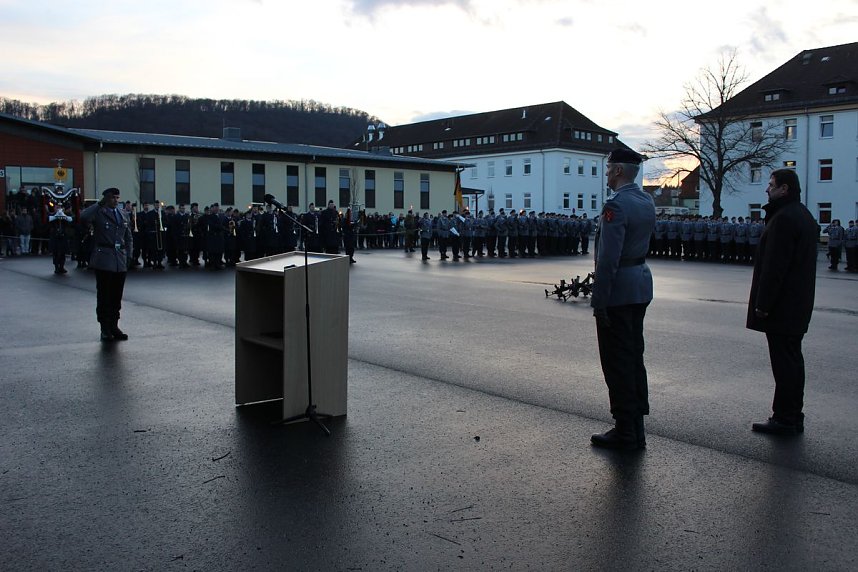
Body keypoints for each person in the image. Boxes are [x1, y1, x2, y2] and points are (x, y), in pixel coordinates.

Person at [589, 148, 656, 450]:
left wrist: (599, 300)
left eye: (607, 168)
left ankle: (625, 429)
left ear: (617, 171)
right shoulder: (646, 201)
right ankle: (636, 425)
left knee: (616, 360)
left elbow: (608, 260)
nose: (605, 173)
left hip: (618, 291)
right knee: (633, 356)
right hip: (640, 285)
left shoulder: (616, 206)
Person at [747, 169, 818, 435]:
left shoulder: (784, 219)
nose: (767, 189)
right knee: (792, 361)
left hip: (782, 307)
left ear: (784, 189)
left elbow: (775, 268)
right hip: (796, 305)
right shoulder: (802, 215)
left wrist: (763, 304)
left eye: (771, 185)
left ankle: (785, 417)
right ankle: (792, 414)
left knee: (784, 363)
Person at [79, 188, 133, 342]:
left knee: (116, 296)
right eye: (113, 198)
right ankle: (105, 328)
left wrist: (129, 254)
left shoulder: (123, 214)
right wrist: (98, 204)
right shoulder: (99, 212)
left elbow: (128, 237)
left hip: (119, 260)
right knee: (104, 296)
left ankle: (114, 326)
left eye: (117, 197)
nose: (116, 200)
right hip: (104, 258)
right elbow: (83, 217)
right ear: (106, 199)